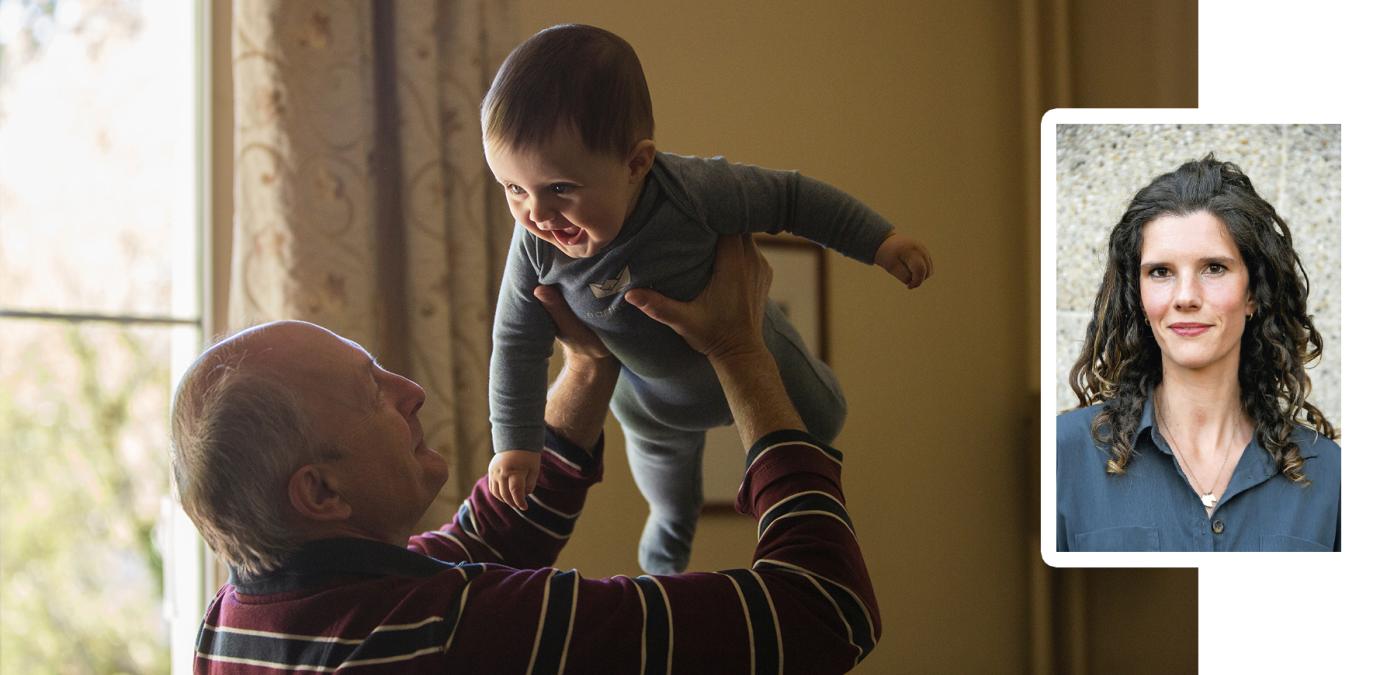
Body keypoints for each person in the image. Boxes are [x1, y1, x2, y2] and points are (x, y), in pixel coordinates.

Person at [173, 235, 881, 673]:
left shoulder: (236, 619)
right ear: (321, 493)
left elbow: (485, 538)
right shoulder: (450, 634)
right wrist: (740, 350)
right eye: (372, 392)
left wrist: (586, 365)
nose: (411, 391)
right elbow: (823, 611)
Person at [483, 23, 932, 574]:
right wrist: (516, 443)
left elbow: (792, 198)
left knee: (825, 419)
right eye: (513, 189)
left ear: (636, 164)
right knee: (671, 502)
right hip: (651, 404)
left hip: (756, 350)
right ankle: (664, 568)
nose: (537, 214)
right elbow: (516, 343)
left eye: (559, 188)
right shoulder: (534, 246)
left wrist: (880, 241)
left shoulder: (693, 191)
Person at [1057, 155, 1340, 552]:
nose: (1186, 297)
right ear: (1138, 295)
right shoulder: (1061, 455)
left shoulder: (1331, 474)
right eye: (1160, 272)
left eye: (1214, 268)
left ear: (1254, 293)